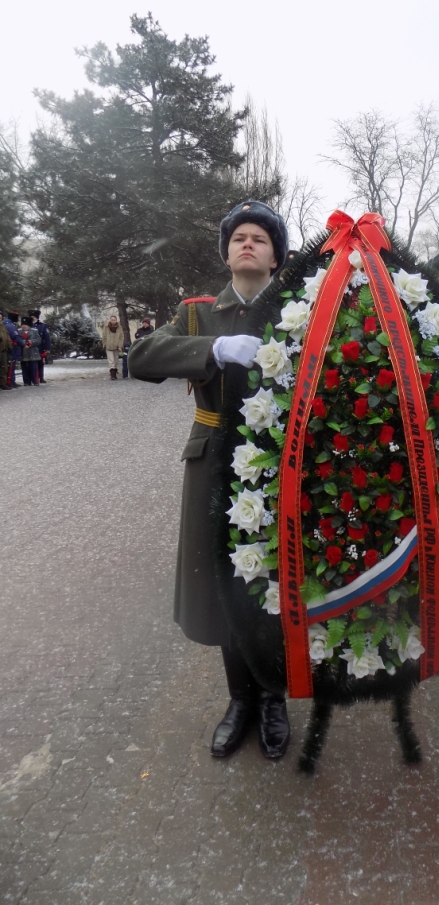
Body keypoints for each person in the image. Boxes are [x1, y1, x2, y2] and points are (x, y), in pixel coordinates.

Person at [129, 201, 292, 761]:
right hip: (214, 458)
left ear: (275, 257)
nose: (248, 244)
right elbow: (143, 358)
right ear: (226, 252)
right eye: (239, 238)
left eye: (260, 239)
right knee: (225, 580)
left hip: (278, 461)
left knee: (271, 577)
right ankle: (239, 699)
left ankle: (273, 698)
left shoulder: (297, 311)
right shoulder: (198, 314)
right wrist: (213, 350)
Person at [18, 317, 42, 386]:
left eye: (25, 324)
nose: (24, 326)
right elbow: (17, 340)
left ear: (29, 325)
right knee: (24, 367)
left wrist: (30, 342)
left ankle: (35, 380)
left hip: (32, 351)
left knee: (33, 367)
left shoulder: (34, 331)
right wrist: (23, 343)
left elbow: (38, 340)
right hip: (23, 351)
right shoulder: (19, 331)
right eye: (23, 324)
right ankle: (26, 381)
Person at [28, 310, 50, 383]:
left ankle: (41, 377)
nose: (33, 318)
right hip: (30, 347)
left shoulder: (42, 326)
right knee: (31, 363)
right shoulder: (28, 325)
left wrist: (47, 348)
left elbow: (47, 337)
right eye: (31, 317)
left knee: (40, 363)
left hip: (40, 347)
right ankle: (32, 378)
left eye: (34, 317)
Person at [5, 310, 22, 388]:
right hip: (12, 348)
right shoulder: (10, 325)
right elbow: (15, 337)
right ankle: (10, 381)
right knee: (11, 365)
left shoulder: (6, 323)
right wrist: (24, 344)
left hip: (9, 348)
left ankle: (11, 381)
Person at [0, 310, 12, 390]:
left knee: (3, 368)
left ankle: (2, 383)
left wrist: (9, 344)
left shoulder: (3, 326)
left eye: (0, 317)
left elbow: (7, 336)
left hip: (3, 350)